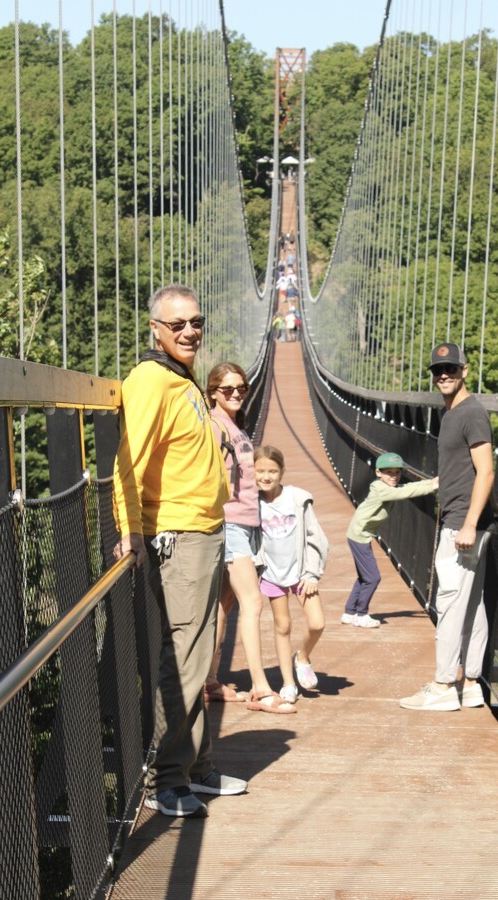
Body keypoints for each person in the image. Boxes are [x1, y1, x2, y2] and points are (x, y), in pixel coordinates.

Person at [112, 284, 248, 818]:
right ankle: (168, 782)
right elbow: (130, 458)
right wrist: (131, 529)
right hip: (180, 535)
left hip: (205, 530)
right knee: (186, 660)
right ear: (156, 331)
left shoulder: (182, 378)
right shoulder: (151, 379)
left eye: (197, 321)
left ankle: (197, 768)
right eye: (178, 325)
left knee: (198, 655)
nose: (190, 332)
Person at [400, 342, 495, 711]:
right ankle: (470, 683)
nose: (444, 375)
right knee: (472, 604)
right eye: (438, 370)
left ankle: (442, 686)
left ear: (465, 371)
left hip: (462, 524)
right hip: (463, 516)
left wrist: (470, 522)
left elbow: (486, 470)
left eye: (451, 369)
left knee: (450, 602)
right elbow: (471, 468)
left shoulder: (471, 413)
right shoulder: (453, 412)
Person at [206, 365, 296, 716]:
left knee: (223, 607)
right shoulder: (214, 426)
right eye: (227, 389)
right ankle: (260, 688)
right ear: (212, 391)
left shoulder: (236, 426)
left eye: (241, 388)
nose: (235, 394)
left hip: (247, 524)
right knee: (253, 602)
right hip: (229, 525)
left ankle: (209, 681)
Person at [254, 445, 328, 704]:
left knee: (317, 623)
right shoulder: (251, 503)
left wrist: (312, 573)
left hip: (300, 573)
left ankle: (303, 656)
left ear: (282, 472)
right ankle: (288, 683)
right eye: (260, 470)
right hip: (273, 575)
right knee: (282, 626)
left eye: (272, 471)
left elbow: (315, 536)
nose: (266, 476)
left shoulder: (297, 499)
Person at [343, 452, 439, 628]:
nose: (394, 476)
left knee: (365, 576)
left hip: (359, 534)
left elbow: (408, 486)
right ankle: (361, 614)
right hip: (359, 536)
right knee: (373, 578)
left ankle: (349, 612)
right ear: (378, 473)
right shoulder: (380, 488)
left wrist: (432, 482)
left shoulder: (387, 486)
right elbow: (405, 492)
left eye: (397, 472)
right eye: (389, 472)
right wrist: (433, 486)